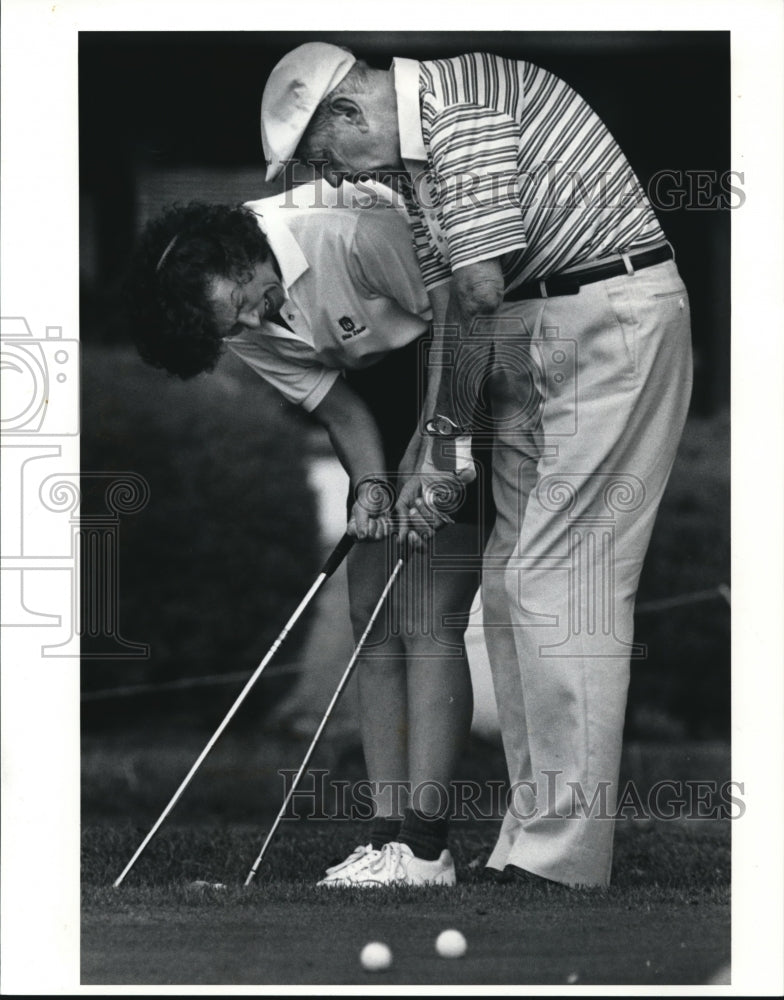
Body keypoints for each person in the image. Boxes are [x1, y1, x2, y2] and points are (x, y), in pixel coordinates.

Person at [260, 42, 693, 888]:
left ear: (347, 113)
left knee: (556, 581)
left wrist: (450, 442)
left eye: (324, 156)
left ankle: (562, 860)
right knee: (505, 582)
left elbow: (481, 287)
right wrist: (433, 449)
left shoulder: (460, 114)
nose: (336, 177)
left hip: (608, 318)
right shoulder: (413, 171)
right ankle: (528, 844)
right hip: (535, 333)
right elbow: (463, 305)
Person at [126, 181, 495, 886]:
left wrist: (434, 446)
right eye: (225, 330)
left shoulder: (344, 230)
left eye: (237, 307)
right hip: (383, 398)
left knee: (428, 613)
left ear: (236, 257)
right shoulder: (237, 319)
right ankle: (388, 839)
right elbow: (346, 411)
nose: (242, 328)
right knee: (373, 619)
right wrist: (371, 488)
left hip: (462, 371)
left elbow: (461, 316)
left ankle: (426, 847)